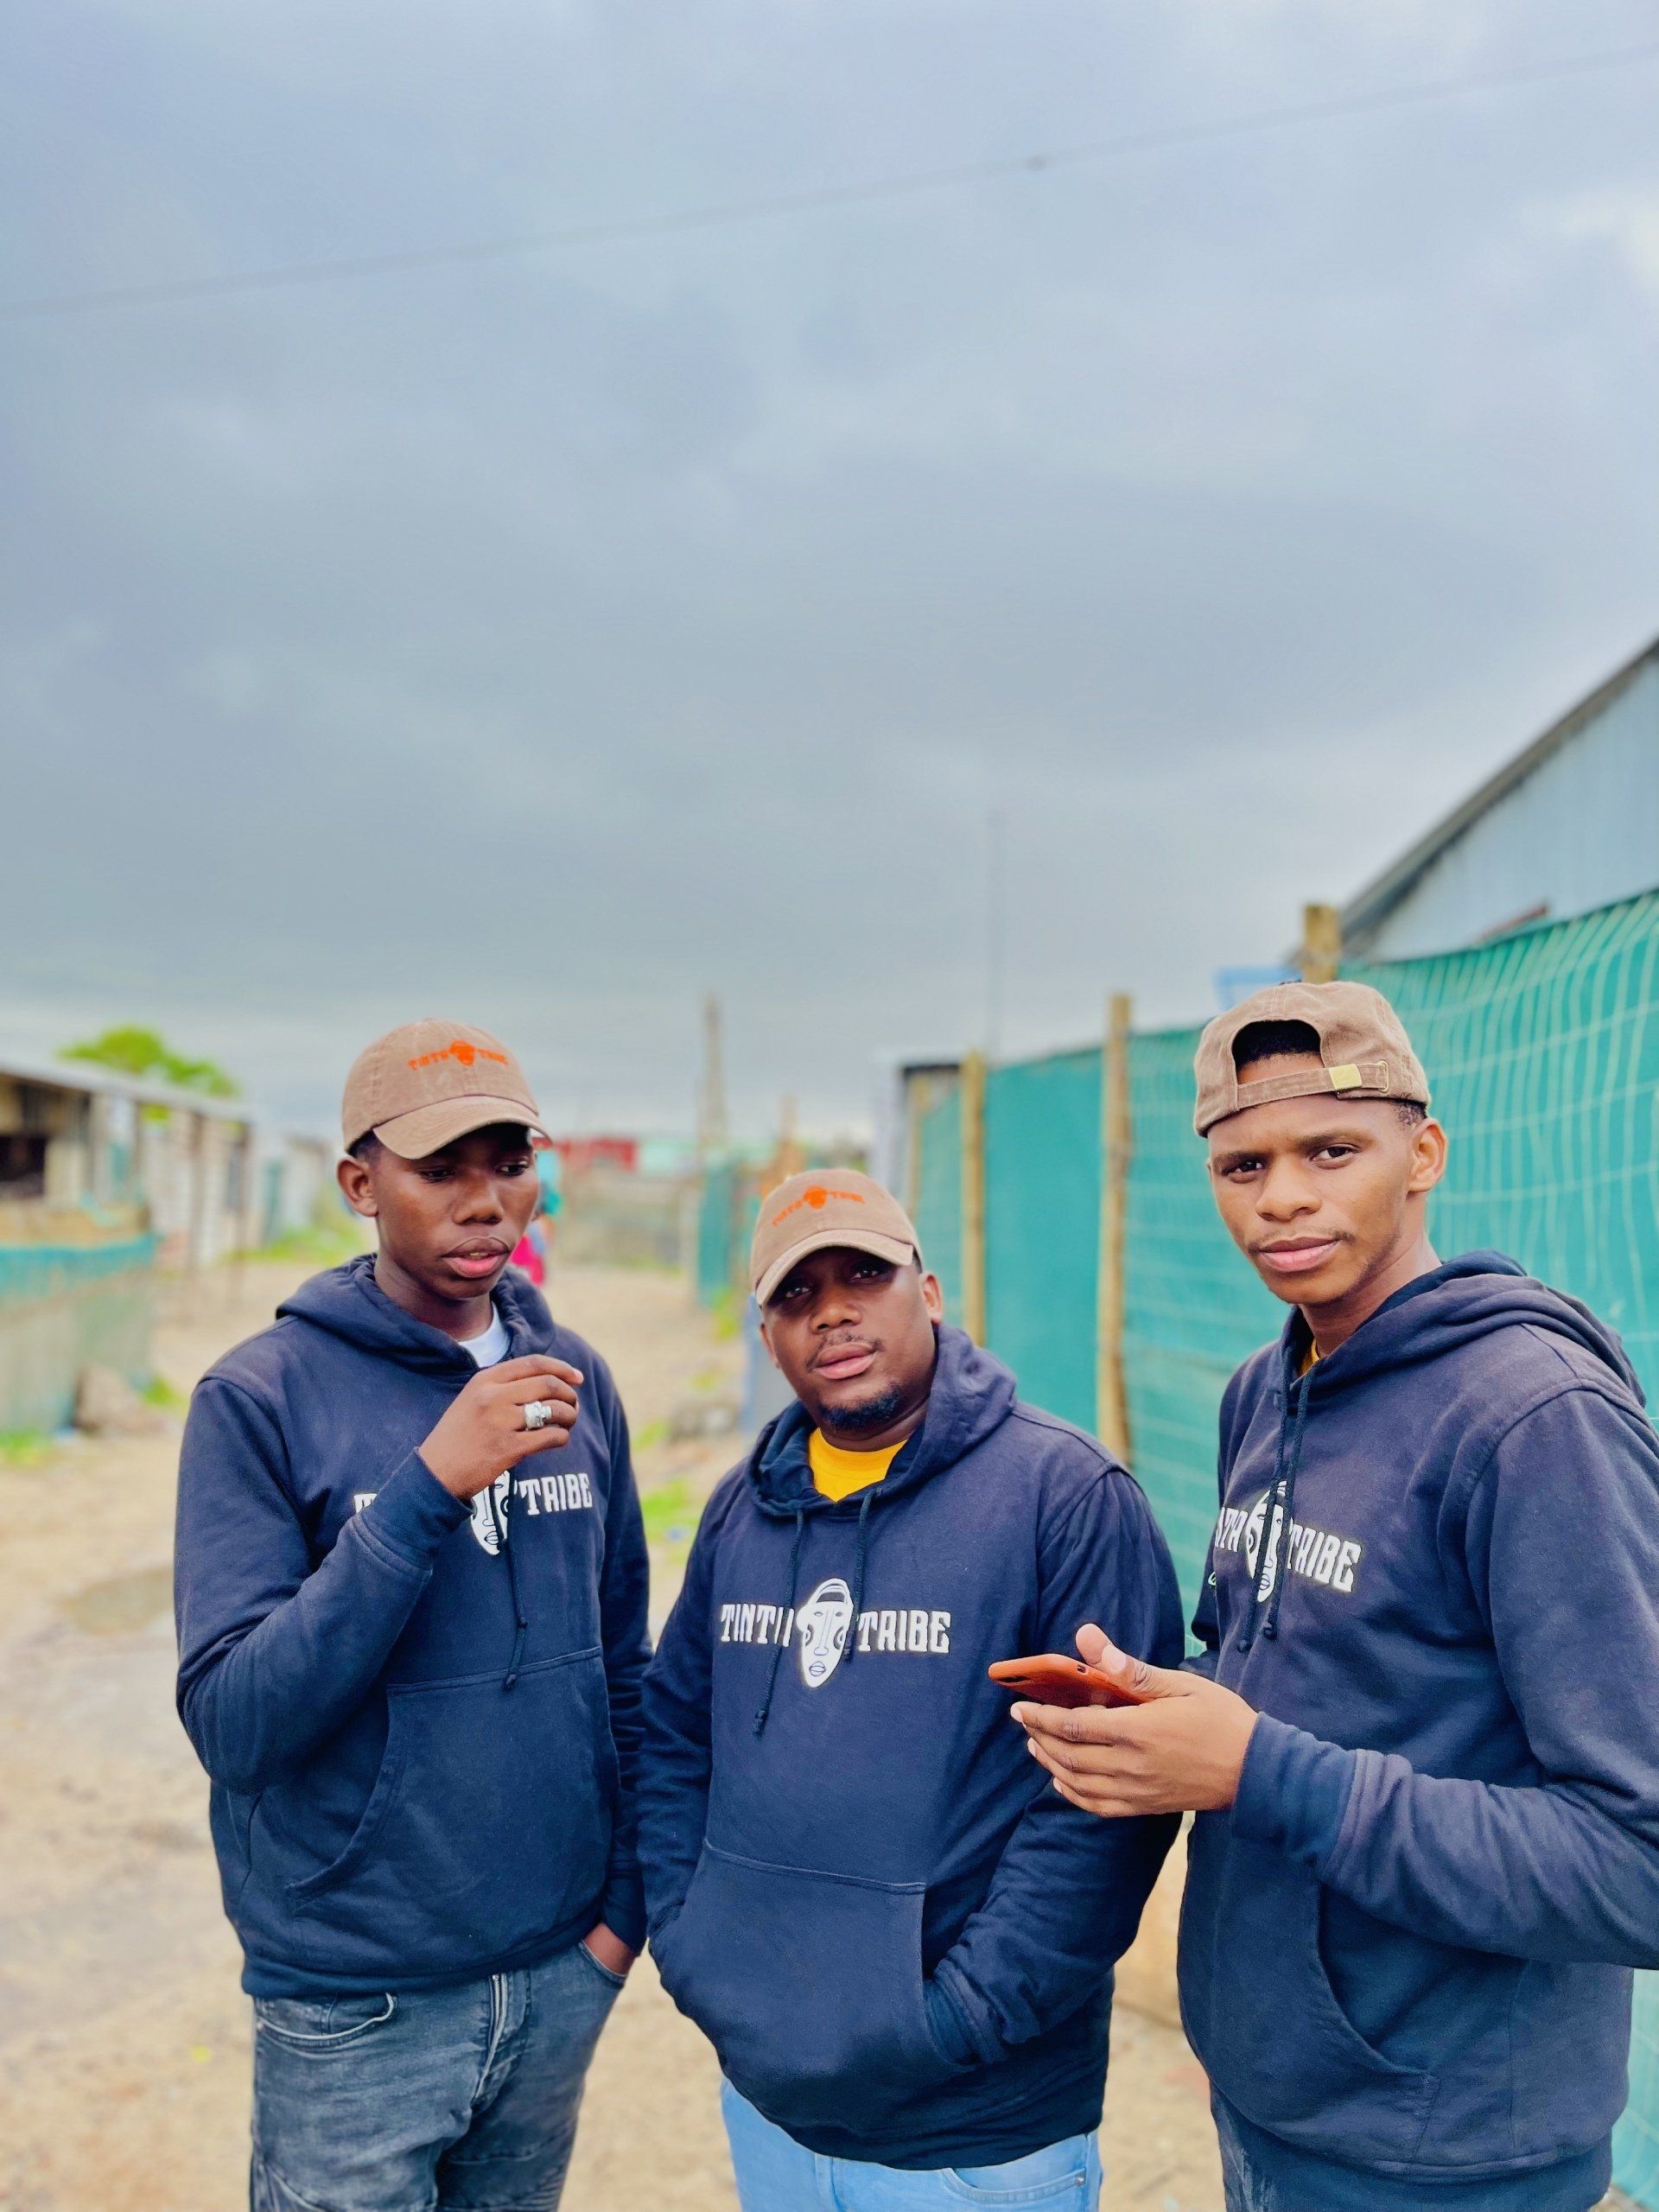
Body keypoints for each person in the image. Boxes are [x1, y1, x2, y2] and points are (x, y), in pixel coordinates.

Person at [1014, 982, 1659, 2212]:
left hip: (1453, 2155)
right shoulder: (1263, 1391)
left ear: (1423, 1155)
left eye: (1331, 1151)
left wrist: (1255, 1766)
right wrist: (1168, 1711)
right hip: (1280, 2099)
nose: (1284, 1199)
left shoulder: (1535, 1420)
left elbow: (1639, 1858)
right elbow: (1329, 1685)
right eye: (1242, 1164)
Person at [639, 1169, 1183, 2212]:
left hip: (976, 2135)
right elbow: (673, 1737)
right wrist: (694, 1944)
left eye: (864, 1275)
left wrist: (958, 2018)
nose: (833, 1311)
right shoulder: (740, 1516)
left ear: (928, 1292)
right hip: (771, 2113)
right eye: (796, 1295)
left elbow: (1107, 1807)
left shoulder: (1064, 1498)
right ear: (767, 1338)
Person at [174, 1020, 650, 2212]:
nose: (487, 1202)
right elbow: (236, 1722)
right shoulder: (259, 1398)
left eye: (510, 1162)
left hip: (553, 1978)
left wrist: (614, 1932)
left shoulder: (577, 1380)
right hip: (357, 2006)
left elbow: (628, 1673)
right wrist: (430, 1487)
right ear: (359, 1184)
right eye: (442, 1170)